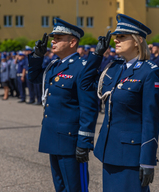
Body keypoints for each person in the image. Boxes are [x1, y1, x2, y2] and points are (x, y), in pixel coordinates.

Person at [28, 18, 102, 192]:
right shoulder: (54, 65)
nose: (53, 41)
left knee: (76, 188)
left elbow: (89, 108)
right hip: (53, 136)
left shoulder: (83, 68)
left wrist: (84, 142)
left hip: (71, 141)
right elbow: (34, 78)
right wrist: (38, 56)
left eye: (58, 37)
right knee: (60, 187)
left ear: (72, 42)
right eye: (53, 37)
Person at [95, 14, 159, 192]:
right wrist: (97, 55)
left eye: (122, 36)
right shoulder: (115, 68)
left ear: (137, 40)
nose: (116, 40)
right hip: (110, 151)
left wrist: (148, 160)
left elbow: (151, 119)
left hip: (131, 157)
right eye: (116, 37)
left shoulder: (149, 72)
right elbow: (85, 85)